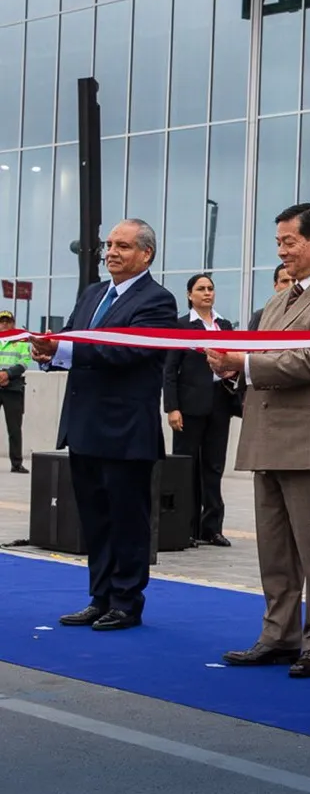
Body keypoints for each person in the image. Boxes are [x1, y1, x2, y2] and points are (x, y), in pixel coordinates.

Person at [207, 203, 310, 679]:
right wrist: (231, 367)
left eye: (289, 241)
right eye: (278, 242)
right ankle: (278, 636)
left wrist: (244, 363)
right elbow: (261, 358)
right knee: (273, 549)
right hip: (268, 437)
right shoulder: (277, 301)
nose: (282, 251)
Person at [29, 220, 178, 631]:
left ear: (146, 253)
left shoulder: (158, 302)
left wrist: (65, 349)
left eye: (122, 246)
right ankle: (100, 597)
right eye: (108, 245)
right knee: (94, 519)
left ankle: (126, 602)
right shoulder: (93, 293)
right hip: (84, 426)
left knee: (127, 520)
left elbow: (125, 351)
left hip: (125, 431)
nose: (110, 252)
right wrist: (48, 350)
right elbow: (74, 344)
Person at [162, 273, 239, 548]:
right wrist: (172, 407)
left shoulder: (225, 325)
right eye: (201, 289)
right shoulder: (181, 326)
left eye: (210, 288)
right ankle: (187, 526)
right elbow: (169, 370)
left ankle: (212, 527)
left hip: (219, 404)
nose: (207, 293)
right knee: (187, 467)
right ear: (189, 295)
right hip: (189, 406)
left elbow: (235, 363)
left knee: (214, 467)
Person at [0, 310, 32, 473]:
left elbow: (25, 361)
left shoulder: (21, 340)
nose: (4, 324)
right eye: (2, 321)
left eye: (8, 321)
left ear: (13, 323)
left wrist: (8, 374)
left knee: (14, 428)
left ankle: (16, 463)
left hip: (13, 387)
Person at [248, 264, 293, 331]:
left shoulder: (308, 313)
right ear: (275, 285)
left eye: (294, 281)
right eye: (285, 281)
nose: (291, 285)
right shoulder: (261, 316)